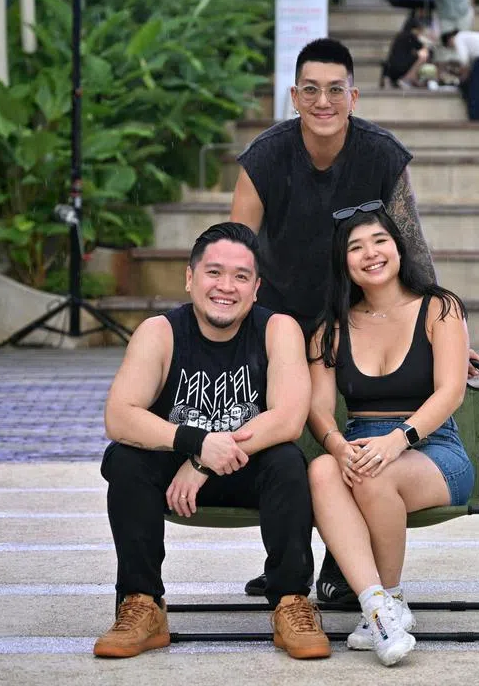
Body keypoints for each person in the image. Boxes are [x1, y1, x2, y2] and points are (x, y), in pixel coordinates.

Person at [230, 36, 447, 605]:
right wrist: (236, 327)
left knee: (348, 430)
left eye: (335, 90)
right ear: (294, 96)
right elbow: (237, 248)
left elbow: (411, 245)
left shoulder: (381, 153)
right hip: (275, 314)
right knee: (285, 431)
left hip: (352, 314)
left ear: (353, 96)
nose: (322, 101)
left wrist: (433, 325)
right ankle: (287, 559)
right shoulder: (265, 157)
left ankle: (340, 564)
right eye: (310, 90)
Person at [94, 222, 330, 660]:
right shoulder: (159, 332)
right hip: (172, 476)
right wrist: (196, 443)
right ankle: (142, 604)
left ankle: (290, 601)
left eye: (241, 277)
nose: (227, 287)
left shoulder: (278, 329)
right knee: (123, 460)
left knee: (286, 461)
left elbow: (289, 419)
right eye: (214, 273)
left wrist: (203, 460)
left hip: (248, 469)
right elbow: (120, 416)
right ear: (190, 278)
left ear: (257, 288)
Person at [306, 200, 474, 666]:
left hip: (433, 449)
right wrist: (338, 446)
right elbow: (319, 410)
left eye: (380, 240)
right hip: (360, 446)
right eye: (356, 247)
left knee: (375, 473)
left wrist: (397, 439)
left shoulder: (440, 308)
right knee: (321, 469)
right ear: (345, 264)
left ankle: (392, 597)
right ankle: (377, 607)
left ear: (398, 247)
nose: (371, 253)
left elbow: (450, 392)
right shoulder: (332, 328)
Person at [441, 29, 479, 122]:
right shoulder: (468, 35)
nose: (453, 47)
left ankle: (476, 117)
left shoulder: (458, 38)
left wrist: (462, 77)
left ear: (449, 39)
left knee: (476, 89)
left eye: (450, 46)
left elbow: (464, 60)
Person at [381, 17, 431, 89]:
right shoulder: (411, 36)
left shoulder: (399, 35)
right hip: (401, 68)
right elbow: (423, 49)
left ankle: (410, 79)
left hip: (390, 68)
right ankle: (407, 79)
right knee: (423, 57)